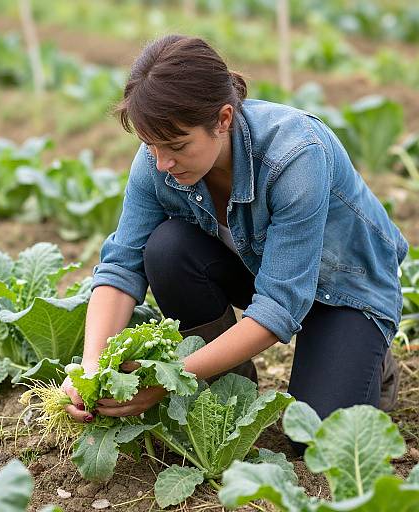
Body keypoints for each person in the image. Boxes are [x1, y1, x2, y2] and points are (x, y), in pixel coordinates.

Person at [62, 34, 407, 443]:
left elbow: (280, 305)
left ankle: (371, 356)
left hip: (345, 289)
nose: (162, 162)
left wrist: (169, 379)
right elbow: (121, 266)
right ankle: (230, 391)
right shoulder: (159, 159)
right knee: (167, 248)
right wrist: (89, 370)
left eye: (176, 146)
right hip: (261, 269)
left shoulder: (295, 155)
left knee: (314, 439)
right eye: (149, 145)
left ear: (223, 119)